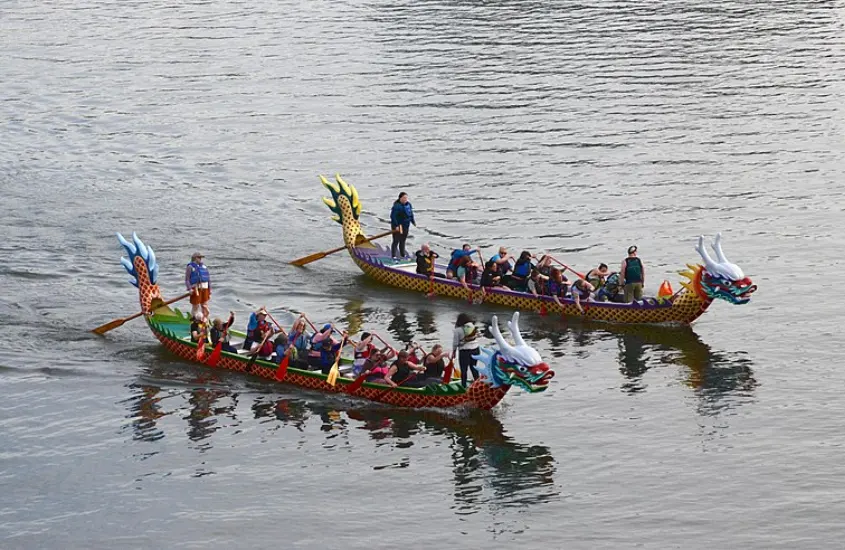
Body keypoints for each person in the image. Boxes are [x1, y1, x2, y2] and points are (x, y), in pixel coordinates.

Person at [451, 313, 480, 387]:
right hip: (476, 349)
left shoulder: (457, 330)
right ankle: (478, 384)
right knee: (474, 367)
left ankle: (463, 386)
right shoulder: (472, 327)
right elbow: (478, 335)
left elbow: (455, 343)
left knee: (464, 370)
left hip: (465, 352)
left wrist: (454, 352)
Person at [185, 252, 211, 320]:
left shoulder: (204, 267)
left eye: (201, 258)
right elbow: (187, 279)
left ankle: (205, 322)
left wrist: (209, 290)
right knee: (195, 306)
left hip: (205, 288)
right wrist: (189, 288)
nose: (200, 259)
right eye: (199, 257)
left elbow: (208, 279)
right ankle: (193, 322)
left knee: (204, 306)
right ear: (195, 258)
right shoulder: (190, 267)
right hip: (196, 289)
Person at [390, 192, 416, 259]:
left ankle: (402, 254)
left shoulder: (409, 204)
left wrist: (413, 221)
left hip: (406, 225)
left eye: (406, 198)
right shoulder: (396, 206)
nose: (405, 199)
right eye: (404, 198)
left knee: (403, 240)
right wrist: (396, 225)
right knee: (396, 240)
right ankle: (393, 255)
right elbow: (393, 216)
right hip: (398, 226)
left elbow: (411, 214)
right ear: (400, 198)